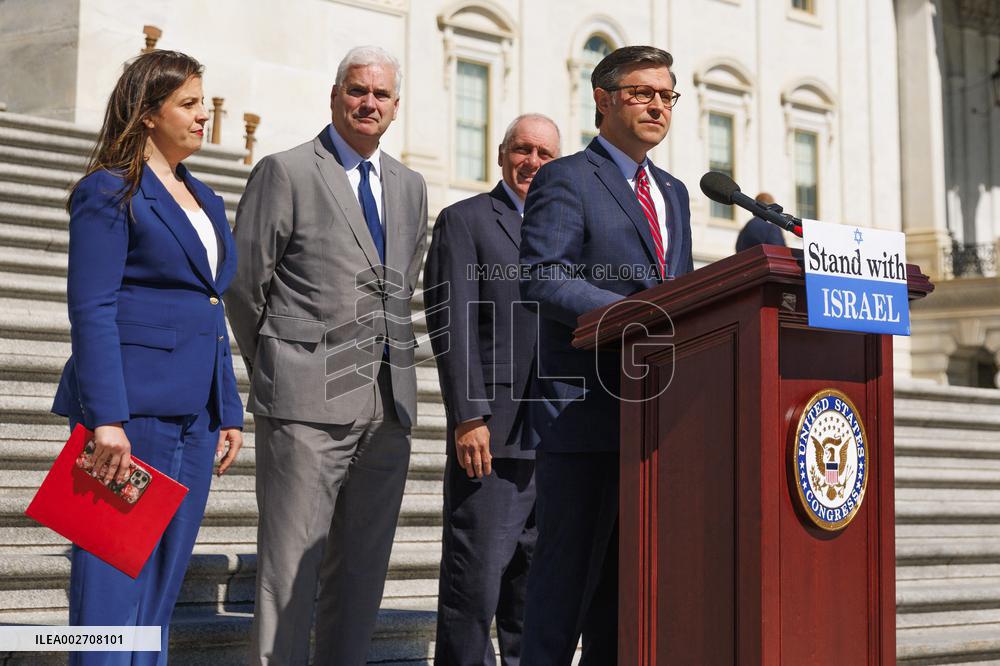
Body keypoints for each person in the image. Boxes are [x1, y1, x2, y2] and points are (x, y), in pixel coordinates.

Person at [225, 45, 428, 666]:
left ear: (395, 107)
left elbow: (404, 281)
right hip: (304, 405)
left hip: (386, 409)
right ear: (335, 95)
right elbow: (243, 284)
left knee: (362, 575)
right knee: (289, 574)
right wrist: (283, 365)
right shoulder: (285, 171)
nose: (369, 103)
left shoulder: (410, 185)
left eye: (382, 95)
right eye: (358, 91)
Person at [51, 50, 244, 665]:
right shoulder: (108, 192)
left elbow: (212, 306)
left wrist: (229, 407)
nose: (202, 116)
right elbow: (92, 309)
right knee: (110, 594)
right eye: (187, 104)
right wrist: (106, 418)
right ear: (146, 114)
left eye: (201, 103)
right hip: (129, 420)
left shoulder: (207, 200)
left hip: (196, 419)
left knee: (159, 596)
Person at [517, 45, 694, 664]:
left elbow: (685, 293)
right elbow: (542, 274)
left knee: (628, 598)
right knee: (563, 591)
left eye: (667, 95)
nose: (657, 105)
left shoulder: (674, 192)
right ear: (603, 99)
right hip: (583, 415)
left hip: (655, 419)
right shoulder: (567, 177)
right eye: (642, 92)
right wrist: (636, 316)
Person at [424, 113, 561, 665]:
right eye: (522, 150)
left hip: (554, 441)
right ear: (501, 155)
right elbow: (450, 323)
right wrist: (467, 416)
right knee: (473, 593)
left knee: (534, 601)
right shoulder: (466, 220)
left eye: (544, 154)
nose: (531, 162)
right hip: (492, 437)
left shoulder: (567, 232)